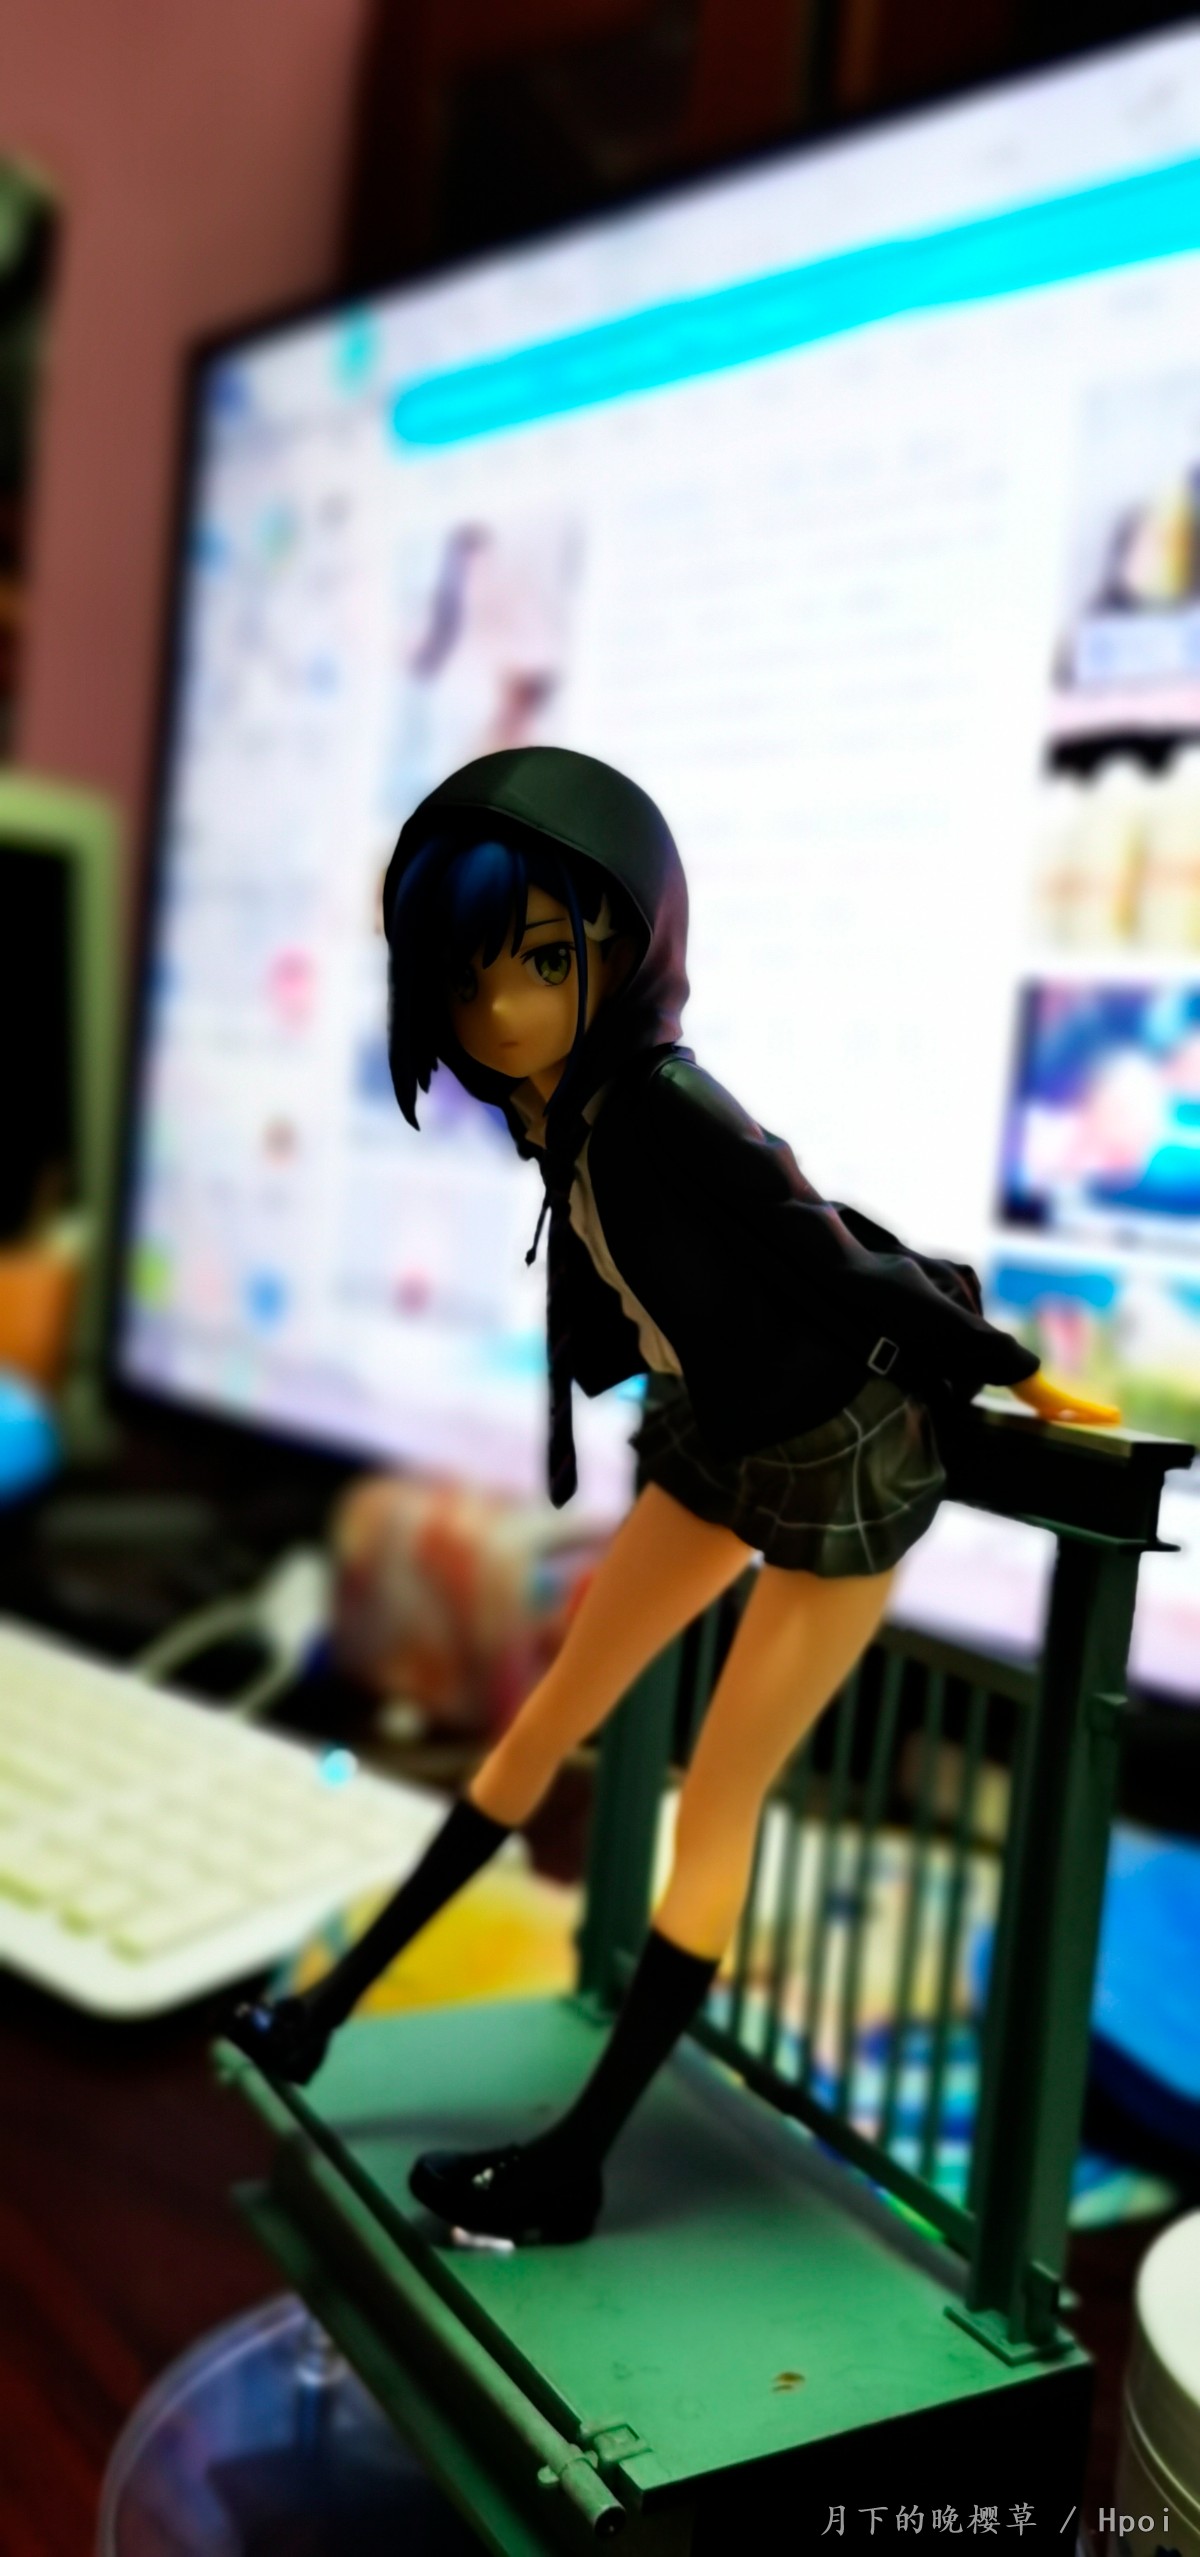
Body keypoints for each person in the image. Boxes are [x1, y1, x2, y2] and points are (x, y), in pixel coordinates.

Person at [228, 745, 1117, 2246]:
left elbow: (828, 1247)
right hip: (716, 1427)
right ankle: (324, 2012)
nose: (499, 1010)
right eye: (465, 975)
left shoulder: (659, 1101)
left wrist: (1008, 1365)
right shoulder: (561, 1110)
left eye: (545, 962)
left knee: (715, 1797)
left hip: (843, 1449)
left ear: (628, 948)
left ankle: (574, 2163)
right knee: (548, 1714)